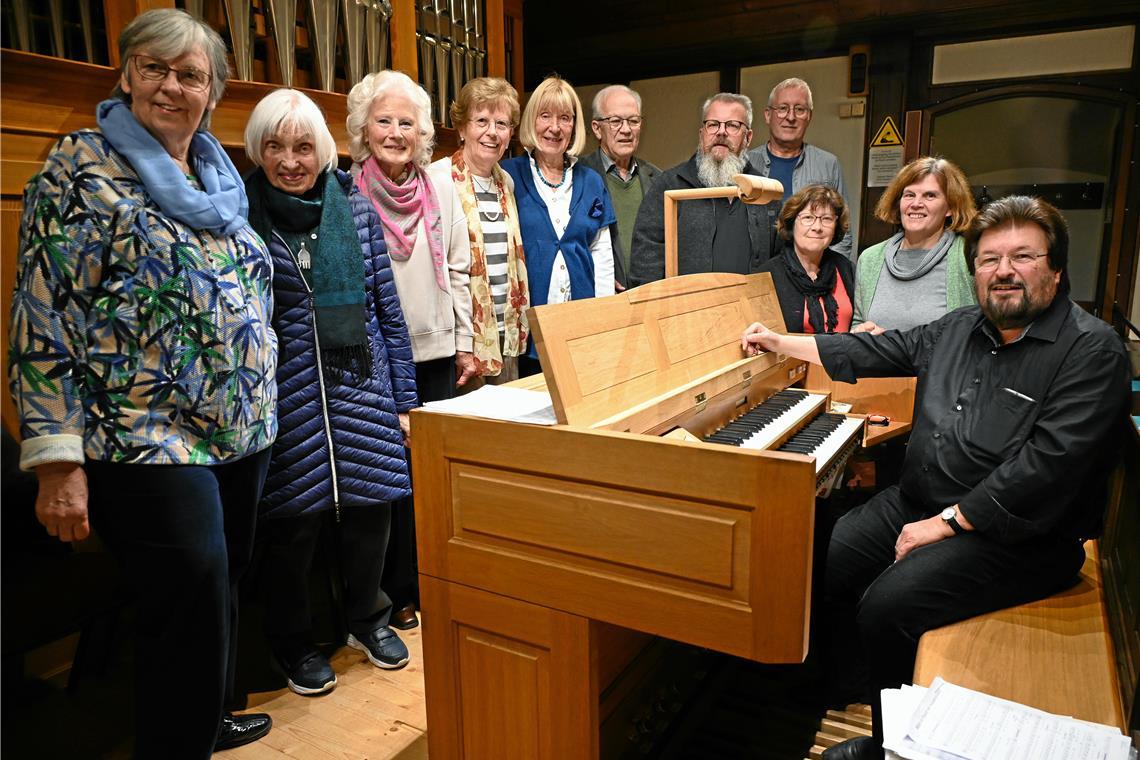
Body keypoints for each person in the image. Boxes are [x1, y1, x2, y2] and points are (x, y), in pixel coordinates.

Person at [741, 195, 1130, 760]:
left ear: (1056, 267)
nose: (1004, 272)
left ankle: (892, 744)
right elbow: (879, 348)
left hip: (1017, 536)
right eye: (990, 259)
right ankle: (836, 688)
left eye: (1023, 257)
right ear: (974, 271)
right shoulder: (960, 326)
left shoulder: (1091, 350)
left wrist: (949, 523)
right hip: (919, 501)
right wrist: (781, 342)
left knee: (888, 606)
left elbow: (1049, 465)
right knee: (822, 555)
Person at [7, 9, 276, 756]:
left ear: (213, 90)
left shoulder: (219, 173)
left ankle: (209, 714)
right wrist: (57, 458)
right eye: (153, 68)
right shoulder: (81, 166)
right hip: (143, 433)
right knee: (188, 588)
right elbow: (42, 312)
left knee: (221, 584)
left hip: (242, 426)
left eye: (189, 74)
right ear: (125, 75)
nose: (169, 85)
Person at [243, 89, 417, 696]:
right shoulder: (241, 218)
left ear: (323, 149)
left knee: (373, 516)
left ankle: (368, 619)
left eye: (303, 146)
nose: (290, 160)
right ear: (257, 150)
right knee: (292, 532)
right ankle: (296, 643)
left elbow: (387, 314)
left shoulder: (358, 210)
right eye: (275, 146)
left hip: (362, 389)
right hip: (288, 399)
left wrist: (404, 402)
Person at [346, 69, 473, 629]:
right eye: (384, 120)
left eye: (407, 122)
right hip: (379, 363)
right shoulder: (347, 192)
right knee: (388, 484)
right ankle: (394, 591)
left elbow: (462, 269)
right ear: (363, 129)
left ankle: (429, 581)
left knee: (431, 479)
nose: (396, 131)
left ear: (422, 131)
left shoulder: (440, 187)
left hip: (438, 351)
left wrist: (466, 342)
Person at [500, 74, 616, 376]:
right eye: (545, 115)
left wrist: (602, 322)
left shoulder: (592, 182)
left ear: (574, 126)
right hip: (526, 331)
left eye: (565, 118)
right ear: (531, 121)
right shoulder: (508, 175)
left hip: (580, 327)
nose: (555, 127)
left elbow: (602, 258)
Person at [436, 77, 529, 387]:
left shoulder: (506, 183)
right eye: (482, 121)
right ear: (462, 128)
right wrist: (462, 344)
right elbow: (446, 271)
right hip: (462, 339)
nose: (492, 132)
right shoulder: (439, 180)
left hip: (505, 330)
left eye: (501, 123)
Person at [628, 92, 771, 287]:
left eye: (732, 125)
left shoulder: (763, 192)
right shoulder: (670, 186)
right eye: (713, 124)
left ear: (748, 137)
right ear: (701, 133)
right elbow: (645, 264)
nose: (721, 132)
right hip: (685, 312)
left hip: (749, 312)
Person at [852, 156, 978, 332]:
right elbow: (858, 321)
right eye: (909, 195)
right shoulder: (870, 259)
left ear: (950, 208)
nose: (916, 204)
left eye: (930, 196)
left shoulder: (967, 257)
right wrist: (859, 333)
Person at [746, 78, 853, 259]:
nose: (791, 117)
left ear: (809, 116)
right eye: (782, 108)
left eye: (800, 109)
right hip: (758, 274)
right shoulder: (746, 164)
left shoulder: (828, 164)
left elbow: (843, 231)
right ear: (767, 115)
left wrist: (829, 276)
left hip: (812, 274)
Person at [580, 84, 661, 290]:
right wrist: (600, 278)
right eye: (615, 121)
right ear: (597, 128)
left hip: (650, 296)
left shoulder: (658, 179)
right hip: (601, 297)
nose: (626, 130)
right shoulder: (579, 176)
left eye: (633, 121)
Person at [757, 185, 854, 334]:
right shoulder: (766, 276)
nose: (817, 227)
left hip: (843, 357)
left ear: (836, 226)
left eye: (827, 219)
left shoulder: (847, 270)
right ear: (791, 223)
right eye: (808, 218)